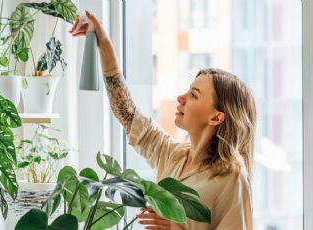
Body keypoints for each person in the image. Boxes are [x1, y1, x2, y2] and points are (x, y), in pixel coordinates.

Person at [70, 11, 256, 230]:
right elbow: (127, 113)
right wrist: (103, 42)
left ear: (216, 117)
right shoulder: (173, 156)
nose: (181, 98)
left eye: (194, 95)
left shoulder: (231, 176)